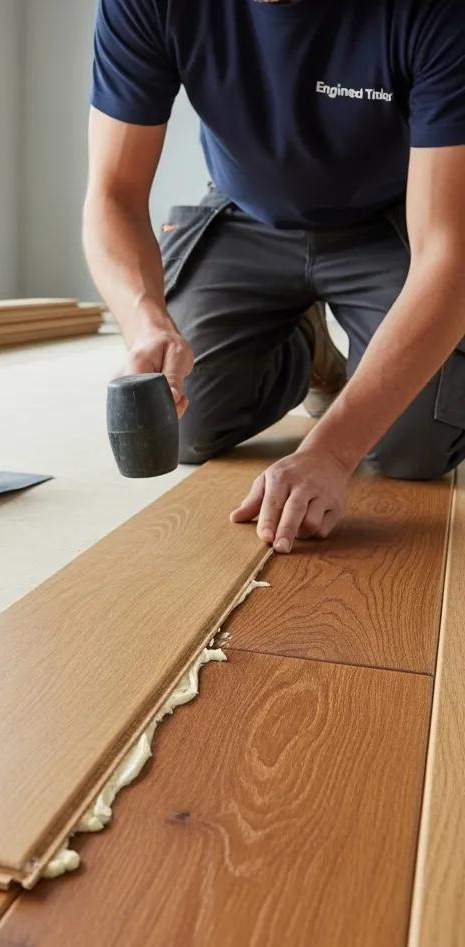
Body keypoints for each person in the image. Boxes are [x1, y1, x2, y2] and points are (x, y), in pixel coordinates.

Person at [83, 0, 465, 552]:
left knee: (413, 450)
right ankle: (306, 349)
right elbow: (113, 192)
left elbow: (448, 255)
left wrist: (331, 452)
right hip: (246, 213)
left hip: (393, 218)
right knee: (184, 423)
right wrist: (147, 323)